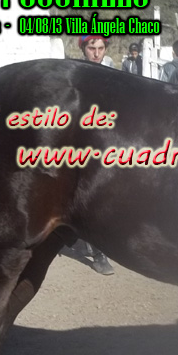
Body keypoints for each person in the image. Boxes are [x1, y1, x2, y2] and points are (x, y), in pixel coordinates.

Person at [71, 35, 116, 275]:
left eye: (100, 48)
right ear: (83, 49)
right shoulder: (76, 74)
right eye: (91, 48)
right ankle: (99, 253)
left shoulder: (112, 74)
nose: (96, 53)